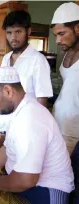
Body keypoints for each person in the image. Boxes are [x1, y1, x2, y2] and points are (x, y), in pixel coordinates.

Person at [0, 67, 74, 204]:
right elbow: (7, 150)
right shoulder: (20, 109)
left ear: (8, 91)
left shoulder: (30, 118)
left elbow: (27, 179)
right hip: (27, 182)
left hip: (45, 191)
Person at [0, 10, 53, 132]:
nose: (13, 37)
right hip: (5, 125)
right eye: (9, 32)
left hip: (26, 128)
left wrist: (34, 129)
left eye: (18, 31)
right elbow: (1, 92)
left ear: (28, 31)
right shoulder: (6, 58)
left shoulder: (38, 60)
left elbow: (42, 100)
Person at [51, 2, 79, 154]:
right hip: (58, 124)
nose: (57, 40)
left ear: (77, 28)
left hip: (75, 134)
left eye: (62, 34)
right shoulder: (67, 52)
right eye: (56, 35)